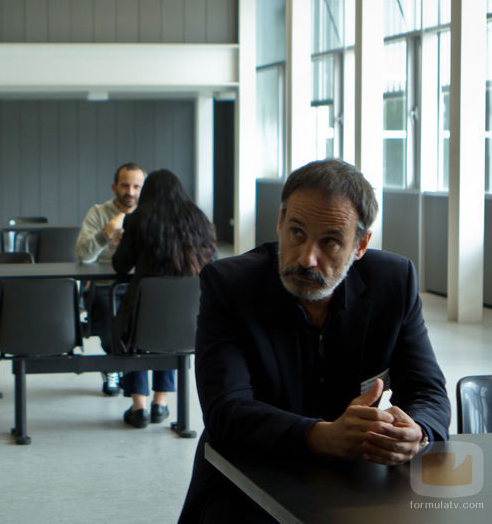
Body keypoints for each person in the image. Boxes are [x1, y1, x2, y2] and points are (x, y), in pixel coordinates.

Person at [179, 159, 450, 523]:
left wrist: (415, 430)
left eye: (330, 242)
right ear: (279, 223)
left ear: (361, 244)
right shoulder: (230, 285)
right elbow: (226, 411)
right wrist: (322, 436)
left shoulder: (393, 282)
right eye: (296, 233)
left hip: (358, 486)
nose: (307, 257)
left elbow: (429, 393)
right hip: (245, 482)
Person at [111, 169, 216, 428]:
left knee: (136, 340)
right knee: (170, 340)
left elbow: (121, 266)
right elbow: (212, 264)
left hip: (143, 311)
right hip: (188, 314)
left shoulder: (138, 219)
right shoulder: (199, 219)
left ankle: (139, 408)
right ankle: (161, 404)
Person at [75, 161, 145, 395]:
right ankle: (113, 364)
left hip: (139, 284)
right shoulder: (98, 213)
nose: (131, 192)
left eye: (137, 186)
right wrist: (107, 232)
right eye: (125, 186)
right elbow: (83, 255)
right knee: (107, 316)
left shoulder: (149, 214)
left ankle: (132, 373)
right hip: (104, 284)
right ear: (114, 187)